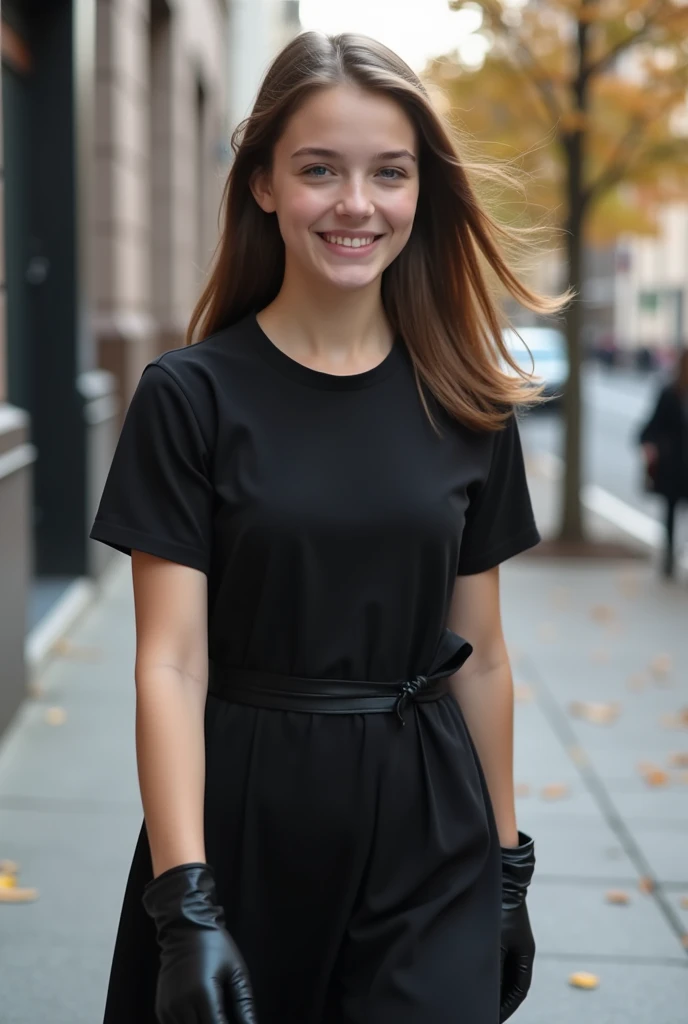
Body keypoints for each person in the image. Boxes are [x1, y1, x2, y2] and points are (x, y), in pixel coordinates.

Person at [90, 31, 570, 1024]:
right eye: (320, 170)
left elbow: (479, 658)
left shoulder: (468, 401)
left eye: (387, 173)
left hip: (430, 822)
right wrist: (184, 901)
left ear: (418, 191)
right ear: (263, 182)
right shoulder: (189, 398)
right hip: (247, 812)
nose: (356, 203)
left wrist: (508, 864)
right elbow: (170, 664)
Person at [638, 348, 688, 578]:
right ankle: (668, 556)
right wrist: (655, 448)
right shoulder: (669, 394)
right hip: (674, 467)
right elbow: (650, 429)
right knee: (670, 512)